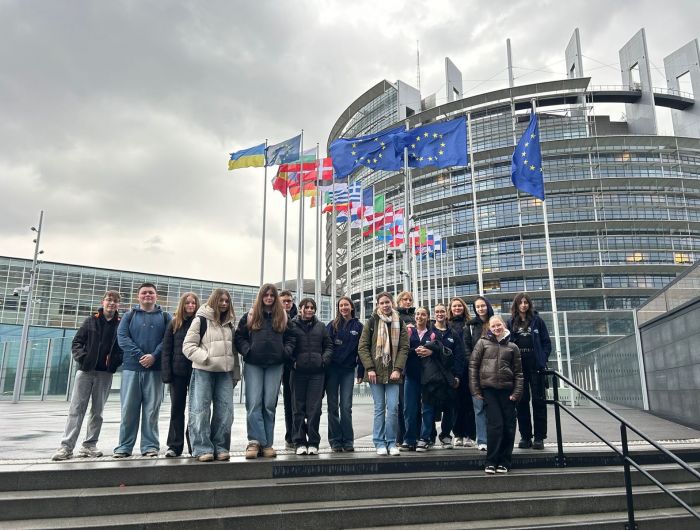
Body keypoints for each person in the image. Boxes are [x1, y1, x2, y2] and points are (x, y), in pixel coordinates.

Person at [52, 291, 123, 461]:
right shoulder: (90, 321)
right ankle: (66, 447)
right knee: (76, 409)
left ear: (118, 305)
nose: (111, 303)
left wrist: (114, 362)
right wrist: (83, 359)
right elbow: (77, 342)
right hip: (85, 371)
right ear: (103, 302)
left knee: (97, 411)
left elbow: (122, 347)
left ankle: (89, 445)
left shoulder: (120, 324)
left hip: (105, 373)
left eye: (115, 301)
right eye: (109, 300)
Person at [235, 284, 294, 459]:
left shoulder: (283, 316)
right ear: (261, 297)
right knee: (254, 403)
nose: (269, 298)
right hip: (254, 364)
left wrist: (284, 353)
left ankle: (267, 444)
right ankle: (255, 442)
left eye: (272, 295)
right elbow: (239, 337)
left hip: (275, 365)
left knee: (269, 405)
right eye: (266, 295)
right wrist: (248, 351)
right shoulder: (251, 315)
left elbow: (291, 338)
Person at [114, 283, 171, 458]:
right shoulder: (129, 316)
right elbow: (122, 338)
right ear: (138, 296)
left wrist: (154, 356)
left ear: (156, 296)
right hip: (131, 369)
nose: (148, 295)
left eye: (151, 293)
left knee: (151, 410)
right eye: (144, 292)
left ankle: (150, 446)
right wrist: (140, 356)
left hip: (155, 371)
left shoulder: (165, 317)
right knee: (128, 410)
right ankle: (124, 447)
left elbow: (168, 340)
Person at [182, 289, 240, 462]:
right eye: (221, 300)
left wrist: (236, 374)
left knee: (226, 412)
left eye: (227, 301)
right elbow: (188, 346)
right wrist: (206, 358)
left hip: (225, 374)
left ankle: (220, 447)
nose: (224, 303)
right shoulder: (200, 320)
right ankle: (202, 448)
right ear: (214, 301)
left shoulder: (230, 324)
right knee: (200, 410)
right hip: (203, 371)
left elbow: (234, 352)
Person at [469, 315, 523, 474]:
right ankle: (491, 461)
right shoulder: (482, 343)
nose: (496, 328)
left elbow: (519, 373)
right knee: (495, 425)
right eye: (493, 326)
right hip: (489, 390)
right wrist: (475, 390)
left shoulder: (513, 347)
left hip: (508, 392)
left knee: (508, 426)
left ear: (504, 325)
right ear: (489, 328)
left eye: (498, 325)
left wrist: (517, 393)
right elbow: (473, 367)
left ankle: (505, 462)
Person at [358, 292, 408, 456]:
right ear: (378, 305)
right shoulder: (372, 322)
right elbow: (363, 347)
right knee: (379, 408)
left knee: (393, 408)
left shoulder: (399, 322)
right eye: (382, 303)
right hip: (376, 373)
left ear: (392, 303)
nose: (385, 305)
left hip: (394, 374)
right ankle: (379, 442)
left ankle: (391, 442)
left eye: (387, 302)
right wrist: (370, 368)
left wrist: (398, 369)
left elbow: (404, 348)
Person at [508, 293, 552, 451]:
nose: (523, 305)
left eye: (526, 302)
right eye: (520, 302)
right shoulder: (510, 322)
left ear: (529, 304)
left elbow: (546, 342)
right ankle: (525, 437)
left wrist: (542, 358)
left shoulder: (537, 321)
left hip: (535, 364)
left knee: (538, 401)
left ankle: (539, 437)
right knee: (521, 401)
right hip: (518, 365)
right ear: (516, 305)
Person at [289, 298, 332, 455]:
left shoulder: (321, 326)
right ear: (300, 309)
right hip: (298, 373)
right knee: (298, 409)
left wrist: (323, 360)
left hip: (317, 374)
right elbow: (286, 346)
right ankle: (299, 442)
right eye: (306, 307)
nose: (309, 310)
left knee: (315, 409)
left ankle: (313, 442)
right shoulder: (291, 325)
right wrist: (293, 362)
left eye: (312, 307)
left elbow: (329, 346)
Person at [161, 292, 200, 458]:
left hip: (196, 373)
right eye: (187, 303)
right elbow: (166, 350)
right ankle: (174, 446)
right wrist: (166, 374)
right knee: (177, 409)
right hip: (177, 374)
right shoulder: (174, 323)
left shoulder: (201, 323)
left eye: (193, 303)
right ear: (182, 305)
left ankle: (194, 445)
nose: (190, 305)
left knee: (196, 410)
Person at [326, 296, 363, 452]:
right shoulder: (332, 325)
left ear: (351, 307)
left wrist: (360, 371)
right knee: (332, 407)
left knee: (346, 406)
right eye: (341, 305)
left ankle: (348, 440)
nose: (343, 308)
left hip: (348, 371)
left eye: (346, 305)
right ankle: (335, 440)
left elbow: (362, 350)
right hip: (332, 371)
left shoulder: (359, 326)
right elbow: (326, 346)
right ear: (338, 308)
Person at [431, 303, 465, 449]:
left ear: (446, 313)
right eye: (437, 311)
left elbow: (459, 356)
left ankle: (445, 436)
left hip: (449, 377)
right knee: (431, 408)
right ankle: (430, 437)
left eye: (442, 311)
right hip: (432, 377)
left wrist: (457, 375)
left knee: (449, 408)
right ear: (434, 314)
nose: (440, 314)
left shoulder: (453, 334)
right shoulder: (429, 331)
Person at [447, 297, 476, 448]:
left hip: (469, 368)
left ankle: (470, 435)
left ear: (464, 307)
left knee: (469, 403)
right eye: (454, 306)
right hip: (454, 369)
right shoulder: (447, 325)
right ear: (450, 309)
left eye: (459, 306)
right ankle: (458, 434)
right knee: (455, 403)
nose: (457, 308)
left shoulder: (470, 324)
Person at [466, 296, 494, 451]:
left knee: (493, 407)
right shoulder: (470, 326)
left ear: (487, 306)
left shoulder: (495, 322)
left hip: (493, 371)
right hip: (475, 372)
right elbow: (466, 348)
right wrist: (474, 363)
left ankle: (494, 438)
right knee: (479, 407)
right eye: (477, 307)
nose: (480, 309)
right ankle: (482, 440)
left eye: (483, 305)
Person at [395, 290, 415, 450]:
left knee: (412, 404)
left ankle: (412, 436)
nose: (407, 302)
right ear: (399, 301)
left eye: (409, 300)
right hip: (400, 365)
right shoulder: (395, 317)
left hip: (414, 364)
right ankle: (400, 437)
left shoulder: (415, 317)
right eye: (404, 299)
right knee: (401, 404)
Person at [279, 290, 298, 450]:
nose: (287, 303)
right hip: (278, 364)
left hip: (293, 366)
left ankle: (295, 436)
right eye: (284, 301)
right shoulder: (274, 317)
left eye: (289, 301)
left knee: (294, 402)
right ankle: (289, 436)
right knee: (286, 402)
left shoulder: (298, 318)